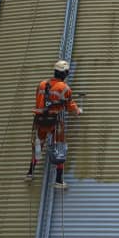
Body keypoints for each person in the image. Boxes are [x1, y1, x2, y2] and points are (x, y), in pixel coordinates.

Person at [25, 59, 81, 190]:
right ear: (65, 73)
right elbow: (69, 105)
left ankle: (30, 173)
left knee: (39, 146)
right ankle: (59, 180)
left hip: (39, 119)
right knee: (60, 148)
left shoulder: (41, 84)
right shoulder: (65, 88)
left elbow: (38, 101)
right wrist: (77, 110)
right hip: (55, 122)